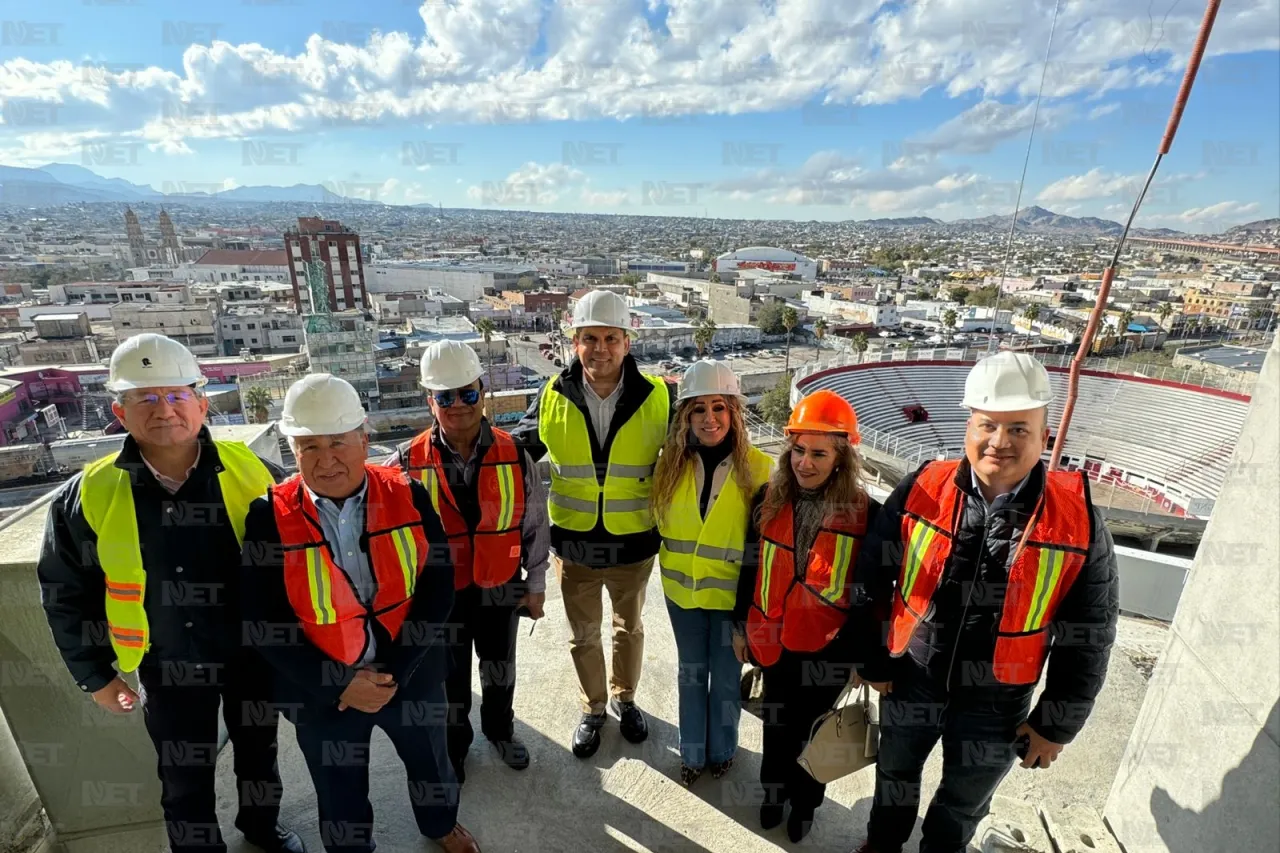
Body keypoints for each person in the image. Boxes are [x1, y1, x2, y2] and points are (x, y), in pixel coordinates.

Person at [37, 333, 304, 853]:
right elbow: (66, 591)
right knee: (183, 776)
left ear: (202, 403)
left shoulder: (251, 472)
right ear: (120, 410)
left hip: (251, 654)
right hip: (169, 663)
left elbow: (305, 554)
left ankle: (261, 826)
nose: (165, 411)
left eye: (177, 395)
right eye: (146, 398)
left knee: (258, 750)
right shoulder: (90, 494)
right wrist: (96, 675)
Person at [849, 352, 1119, 853]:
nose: (1000, 442)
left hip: (997, 701)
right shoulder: (924, 485)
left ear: (1044, 435)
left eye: (1019, 428)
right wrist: (872, 656)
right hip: (914, 675)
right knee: (894, 778)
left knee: (964, 800)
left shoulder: (1077, 519)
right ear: (968, 425)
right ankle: (881, 846)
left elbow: (1090, 633)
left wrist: (1054, 722)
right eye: (988, 425)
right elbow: (872, 574)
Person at [239, 374, 480, 853]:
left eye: (338, 443)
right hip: (322, 690)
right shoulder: (269, 516)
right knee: (338, 786)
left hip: (407, 673)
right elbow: (263, 620)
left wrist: (390, 673)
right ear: (292, 448)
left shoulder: (407, 493)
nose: (326, 460)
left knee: (431, 763)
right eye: (309, 446)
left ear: (364, 440)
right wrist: (341, 683)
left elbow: (437, 588)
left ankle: (439, 826)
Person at [510, 289, 676, 758]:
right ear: (574, 343)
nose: (599, 348)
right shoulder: (551, 395)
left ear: (627, 342)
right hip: (576, 546)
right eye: (589, 338)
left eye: (610, 337)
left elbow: (696, 453)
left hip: (633, 545)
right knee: (583, 634)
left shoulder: (659, 396)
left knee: (630, 628)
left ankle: (626, 699)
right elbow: (516, 451)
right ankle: (594, 708)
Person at [386, 340, 550, 783]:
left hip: (500, 586)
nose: (457, 405)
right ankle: (455, 748)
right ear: (430, 401)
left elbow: (536, 525)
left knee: (500, 669)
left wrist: (536, 586)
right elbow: (384, 536)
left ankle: (501, 731)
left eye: (467, 393)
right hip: (439, 597)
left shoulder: (515, 454)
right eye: (445, 396)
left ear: (483, 392)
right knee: (448, 679)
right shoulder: (405, 461)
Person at [733, 389, 878, 843]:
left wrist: (859, 657)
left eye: (819, 453)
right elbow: (750, 567)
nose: (805, 462)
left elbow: (869, 594)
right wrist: (741, 625)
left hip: (828, 649)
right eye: (798, 450)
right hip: (773, 639)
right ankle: (773, 795)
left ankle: (805, 804)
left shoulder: (866, 514)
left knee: (813, 735)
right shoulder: (767, 498)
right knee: (776, 728)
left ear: (841, 456)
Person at [650, 360, 772, 786]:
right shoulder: (669, 464)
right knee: (689, 674)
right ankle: (691, 752)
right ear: (685, 416)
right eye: (698, 409)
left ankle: (721, 750)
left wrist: (747, 619)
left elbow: (761, 552)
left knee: (723, 681)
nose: (709, 419)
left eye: (719, 407)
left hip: (729, 603)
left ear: (734, 413)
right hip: (681, 596)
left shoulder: (759, 470)